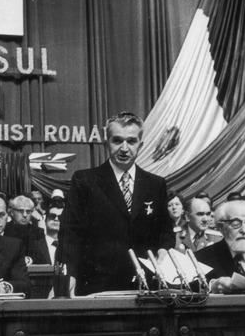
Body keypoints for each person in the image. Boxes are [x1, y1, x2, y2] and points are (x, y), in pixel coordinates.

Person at [59, 111, 173, 295]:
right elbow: (69, 235)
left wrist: (163, 250)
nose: (124, 148)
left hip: (146, 287)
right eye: (117, 140)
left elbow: (165, 231)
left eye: (131, 141)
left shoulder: (156, 184)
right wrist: (68, 277)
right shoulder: (85, 180)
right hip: (97, 286)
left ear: (141, 145)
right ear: (106, 143)